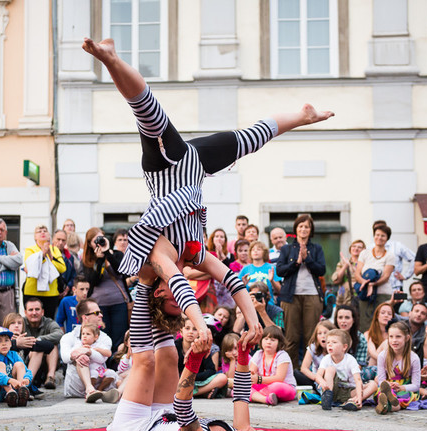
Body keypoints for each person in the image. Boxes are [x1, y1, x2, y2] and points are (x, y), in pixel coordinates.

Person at [83, 37, 331, 349]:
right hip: (195, 168)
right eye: (182, 308)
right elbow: (231, 278)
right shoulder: (195, 253)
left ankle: (110, 59)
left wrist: (200, 325)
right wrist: (253, 321)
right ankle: (303, 116)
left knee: (148, 112)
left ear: (160, 294)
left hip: (167, 167)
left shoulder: (157, 259)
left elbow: (178, 284)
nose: (182, 300)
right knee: (249, 139)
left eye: (175, 304)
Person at [106, 264, 286, 431]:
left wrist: (194, 362)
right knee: (169, 355)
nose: (249, 428)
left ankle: (145, 284)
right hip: (163, 416)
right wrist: (244, 355)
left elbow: (184, 409)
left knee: (146, 362)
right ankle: (161, 286)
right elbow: (242, 395)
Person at [276, 214, 326, 365]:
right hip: (291, 296)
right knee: (291, 337)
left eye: (307, 226)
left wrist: (307, 259)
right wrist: (297, 262)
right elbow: (280, 271)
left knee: (311, 336)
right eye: (301, 226)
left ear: (311, 230)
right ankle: (291, 372)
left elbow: (322, 270)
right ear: (296, 229)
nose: (303, 229)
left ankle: (310, 371)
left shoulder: (316, 248)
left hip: (312, 295)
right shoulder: (287, 249)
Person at [81, 227, 130, 353]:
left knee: (119, 337)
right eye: (95, 241)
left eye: (100, 238)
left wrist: (107, 252)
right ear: (90, 244)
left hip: (119, 302)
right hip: (99, 305)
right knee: (103, 336)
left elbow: (121, 271)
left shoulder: (117, 254)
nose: (98, 242)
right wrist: (99, 259)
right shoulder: (88, 260)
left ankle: (117, 366)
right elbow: (93, 280)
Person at [59, 298, 118, 402]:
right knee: (81, 357)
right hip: (75, 388)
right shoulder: (69, 337)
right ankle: (89, 388)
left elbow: (102, 359)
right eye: (96, 313)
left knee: (84, 355)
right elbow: (65, 357)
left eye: (101, 312)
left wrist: (89, 351)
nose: (101, 315)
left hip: (99, 383)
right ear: (85, 317)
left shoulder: (104, 337)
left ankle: (94, 390)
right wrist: (78, 353)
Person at [316, 329, 375, 411]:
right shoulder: (326, 359)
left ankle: (354, 401)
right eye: (328, 342)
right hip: (332, 389)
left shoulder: (350, 360)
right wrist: (322, 382)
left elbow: (358, 380)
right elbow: (318, 375)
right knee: (330, 369)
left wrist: (359, 396)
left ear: (344, 347)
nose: (330, 345)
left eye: (334, 342)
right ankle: (327, 398)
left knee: (373, 384)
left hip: (348, 392)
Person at [354, 223, 396, 334]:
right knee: (365, 323)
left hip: (382, 293)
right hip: (365, 294)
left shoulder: (390, 255)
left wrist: (373, 285)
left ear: (387, 238)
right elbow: (357, 273)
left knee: (382, 323)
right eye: (377, 235)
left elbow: (386, 276)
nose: (379, 238)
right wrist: (365, 283)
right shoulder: (365, 253)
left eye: (383, 235)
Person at [175, 317, 227, 399]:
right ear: (181, 332)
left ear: (199, 333)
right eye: (187, 328)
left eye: (195, 329)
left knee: (222, 378)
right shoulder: (175, 347)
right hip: (179, 382)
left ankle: (193, 393)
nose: (191, 332)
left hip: (198, 382)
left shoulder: (202, 347)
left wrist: (194, 376)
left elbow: (211, 370)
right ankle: (201, 393)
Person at [375, 322, 421, 414]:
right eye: (391, 337)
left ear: (407, 338)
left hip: (404, 389)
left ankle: (387, 406)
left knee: (402, 397)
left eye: (398, 337)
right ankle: (386, 401)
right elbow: (381, 380)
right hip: (388, 386)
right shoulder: (382, 356)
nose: (394, 340)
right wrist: (388, 385)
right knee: (383, 392)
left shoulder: (414, 358)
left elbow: (416, 385)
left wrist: (402, 387)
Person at [23, 225, 67, 318]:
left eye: (45, 231)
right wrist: (42, 255)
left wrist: (50, 256)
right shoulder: (30, 249)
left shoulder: (55, 249)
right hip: (32, 292)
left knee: (49, 320)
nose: (42, 232)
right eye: (39, 231)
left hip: (51, 293)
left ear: (49, 236)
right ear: (35, 237)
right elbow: (30, 267)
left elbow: (62, 268)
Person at [248, 325, 296, 406]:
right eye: (266, 339)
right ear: (261, 341)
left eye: (272, 340)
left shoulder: (282, 355)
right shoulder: (258, 354)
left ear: (279, 343)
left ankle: (255, 396)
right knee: (239, 387)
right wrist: (251, 376)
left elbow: (279, 378)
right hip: (263, 386)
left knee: (276, 386)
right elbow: (251, 375)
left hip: (283, 387)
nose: (268, 342)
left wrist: (258, 379)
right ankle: (266, 399)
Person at [23, 297, 63, 390]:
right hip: (26, 360)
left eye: (37, 309)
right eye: (31, 310)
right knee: (38, 348)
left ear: (42, 311)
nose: (34, 313)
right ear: (25, 312)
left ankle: (50, 377)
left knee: (52, 345)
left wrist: (39, 339)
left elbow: (59, 334)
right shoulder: (21, 322)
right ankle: (27, 381)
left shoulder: (48, 322)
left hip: (46, 362)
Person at [73, 323, 119, 394]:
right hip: (89, 370)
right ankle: (90, 391)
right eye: (83, 334)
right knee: (93, 374)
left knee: (111, 373)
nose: (84, 336)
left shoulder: (98, 345)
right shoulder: (79, 344)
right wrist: (82, 349)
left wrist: (97, 349)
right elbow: (73, 352)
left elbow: (109, 353)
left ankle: (100, 389)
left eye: (88, 334)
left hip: (100, 370)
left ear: (96, 337)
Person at [372, 220, 415, 293]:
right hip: (376, 288)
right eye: (377, 233)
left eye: (383, 234)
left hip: (395, 287)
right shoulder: (370, 248)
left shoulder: (397, 246)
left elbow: (413, 258)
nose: (380, 237)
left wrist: (406, 275)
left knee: (397, 304)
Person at [297, 320, 331, 389]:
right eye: (319, 333)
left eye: (325, 333)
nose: (323, 336)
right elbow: (304, 368)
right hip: (315, 379)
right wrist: (316, 378)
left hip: (331, 379)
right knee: (296, 374)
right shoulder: (313, 347)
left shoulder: (335, 347)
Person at [331, 239, 365, 307]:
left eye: (359, 247)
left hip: (358, 297)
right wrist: (345, 266)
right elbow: (336, 280)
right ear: (350, 249)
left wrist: (351, 266)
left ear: (364, 250)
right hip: (343, 297)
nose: (356, 248)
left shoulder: (366, 264)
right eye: (354, 246)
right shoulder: (342, 263)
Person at [366, 302, 394, 367]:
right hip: (372, 366)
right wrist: (390, 362)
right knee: (387, 342)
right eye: (383, 313)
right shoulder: (368, 334)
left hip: (388, 365)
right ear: (377, 316)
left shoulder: (394, 335)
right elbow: (372, 353)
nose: (386, 315)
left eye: (389, 314)